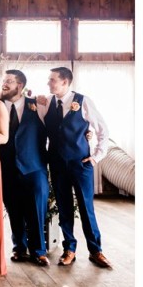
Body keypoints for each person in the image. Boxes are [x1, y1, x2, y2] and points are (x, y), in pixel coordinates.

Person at [36, 66, 112, 269]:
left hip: (81, 164)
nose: (48, 83)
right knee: (64, 208)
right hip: (57, 164)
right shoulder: (46, 103)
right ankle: (69, 249)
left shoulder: (83, 101)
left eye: (52, 80)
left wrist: (96, 157)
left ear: (65, 82)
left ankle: (96, 251)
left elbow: (103, 130)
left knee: (87, 208)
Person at [0, 70, 50, 266]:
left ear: (20, 86)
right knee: (13, 209)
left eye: (9, 81)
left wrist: (86, 135)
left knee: (37, 209)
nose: (4, 84)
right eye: (4, 80)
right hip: (7, 167)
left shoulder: (38, 105)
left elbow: (57, 127)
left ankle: (39, 250)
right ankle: (19, 247)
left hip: (34, 168)